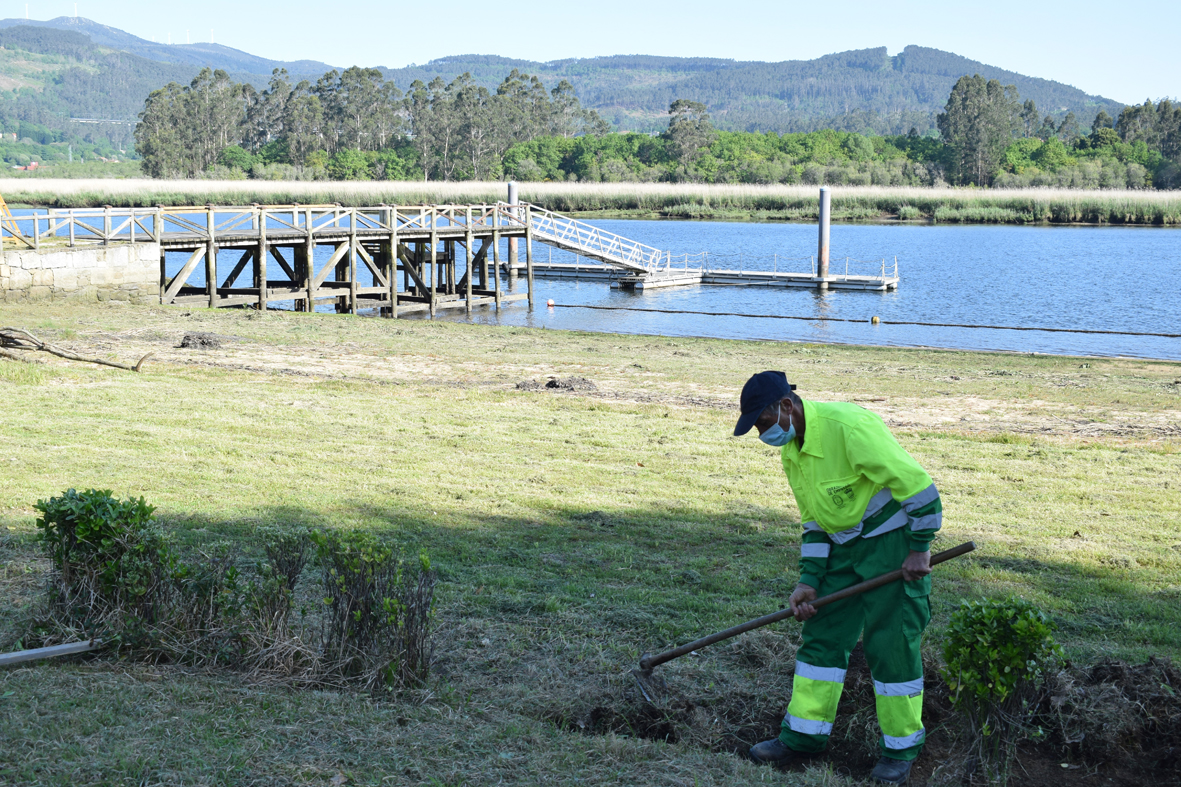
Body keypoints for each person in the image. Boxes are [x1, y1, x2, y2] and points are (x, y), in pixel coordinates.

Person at [734, 371, 942, 785]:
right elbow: (813, 521)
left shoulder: (850, 427)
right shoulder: (792, 448)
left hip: (890, 544)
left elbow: (919, 488)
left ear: (787, 407)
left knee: (891, 644)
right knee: (822, 637)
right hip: (842, 550)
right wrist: (809, 579)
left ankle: (900, 751)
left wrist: (919, 547)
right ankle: (803, 737)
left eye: (762, 423)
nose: (763, 433)